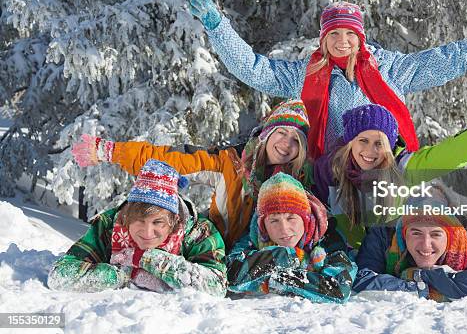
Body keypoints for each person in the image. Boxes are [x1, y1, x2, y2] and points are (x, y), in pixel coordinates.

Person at [189, 0, 467, 158]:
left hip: (386, 166)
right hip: (328, 171)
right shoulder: (305, 74)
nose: (342, 42)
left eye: (349, 35)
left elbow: (450, 58)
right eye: (334, 35)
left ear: (360, 37)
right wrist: (218, 27)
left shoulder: (392, 70)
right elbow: (254, 69)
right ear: (324, 39)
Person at [313, 73, 467, 248]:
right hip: (347, 268)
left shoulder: (402, 169)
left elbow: (451, 153)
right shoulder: (328, 171)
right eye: (363, 140)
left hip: (391, 260)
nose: (370, 151)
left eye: (379, 143)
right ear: (350, 142)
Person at [71, 99, 311, 250]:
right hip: (218, 251)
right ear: (266, 134)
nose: (286, 144)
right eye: (281, 133)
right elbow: (173, 160)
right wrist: (112, 151)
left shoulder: (301, 182)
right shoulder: (229, 163)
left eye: (296, 140)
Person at [48, 159, 227, 295]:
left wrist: (147, 259)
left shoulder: (198, 232)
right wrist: (123, 275)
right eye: (139, 221)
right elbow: (59, 275)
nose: (147, 233)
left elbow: (218, 286)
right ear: (127, 216)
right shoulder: (109, 224)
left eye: (158, 222)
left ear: (174, 221)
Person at [226, 172, 356, 303]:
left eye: (291, 218)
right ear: (263, 225)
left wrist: (275, 280)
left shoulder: (328, 237)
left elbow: (339, 288)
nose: (284, 228)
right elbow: (232, 274)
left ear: (305, 219)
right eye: (274, 221)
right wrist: (292, 256)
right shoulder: (253, 236)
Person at [352, 200, 467, 302]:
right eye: (416, 233)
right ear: (404, 234)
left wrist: (419, 275)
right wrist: (420, 287)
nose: (425, 244)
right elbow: (362, 279)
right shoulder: (383, 237)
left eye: (435, 234)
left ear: (449, 236)